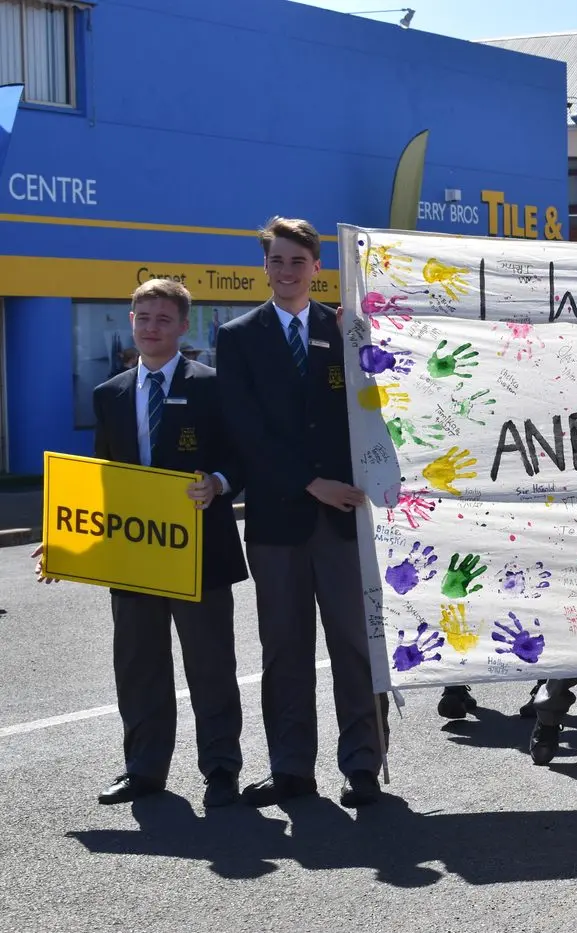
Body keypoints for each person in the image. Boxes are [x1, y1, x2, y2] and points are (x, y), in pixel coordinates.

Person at [35, 279, 246, 808]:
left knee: (210, 665)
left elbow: (243, 458)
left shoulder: (214, 386)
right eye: (143, 317)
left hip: (198, 550)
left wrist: (218, 483)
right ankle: (144, 769)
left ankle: (221, 769)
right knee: (138, 665)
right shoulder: (110, 395)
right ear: (131, 322)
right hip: (133, 552)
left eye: (163, 319)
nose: (152, 328)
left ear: (182, 327)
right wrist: (65, 543)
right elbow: (103, 483)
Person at [216, 216, 386, 809]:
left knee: (353, 647)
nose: (286, 271)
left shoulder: (346, 330)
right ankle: (291, 767)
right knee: (284, 650)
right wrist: (310, 483)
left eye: (298, 261)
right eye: (277, 261)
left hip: (344, 521)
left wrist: (364, 342)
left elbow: (378, 406)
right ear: (265, 267)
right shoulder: (237, 337)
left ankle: (363, 764)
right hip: (278, 523)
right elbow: (246, 432)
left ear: (318, 267)